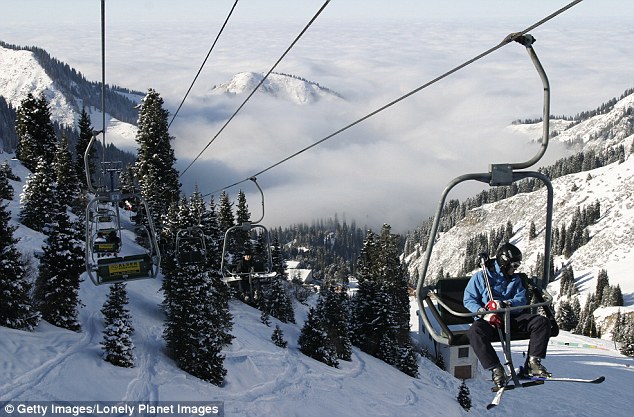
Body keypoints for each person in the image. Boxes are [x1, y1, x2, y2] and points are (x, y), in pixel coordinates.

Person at [463, 242, 552, 388]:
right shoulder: (482, 277)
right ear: (505, 262)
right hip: (490, 320)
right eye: (514, 265)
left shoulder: (515, 280)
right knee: (475, 331)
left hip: (512, 317)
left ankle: (533, 363)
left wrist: (505, 304)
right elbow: (469, 299)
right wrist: (483, 313)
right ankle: (496, 369)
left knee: (541, 322)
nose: (515, 269)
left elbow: (521, 299)